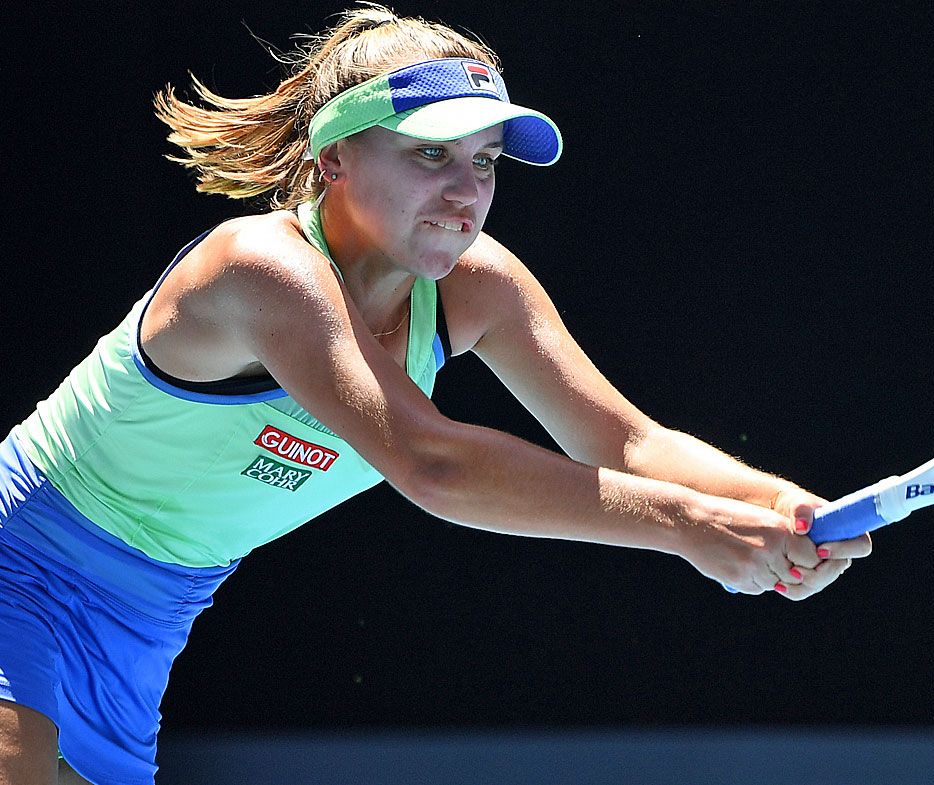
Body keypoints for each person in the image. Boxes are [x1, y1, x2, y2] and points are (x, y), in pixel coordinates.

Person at [0, 5, 872, 784]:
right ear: (334, 155)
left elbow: (628, 445)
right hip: (17, 561)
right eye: (430, 155)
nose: (467, 193)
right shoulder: (259, 267)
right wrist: (690, 526)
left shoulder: (479, 288)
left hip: (150, 624)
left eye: (485, 162)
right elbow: (432, 461)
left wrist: (778, 506)